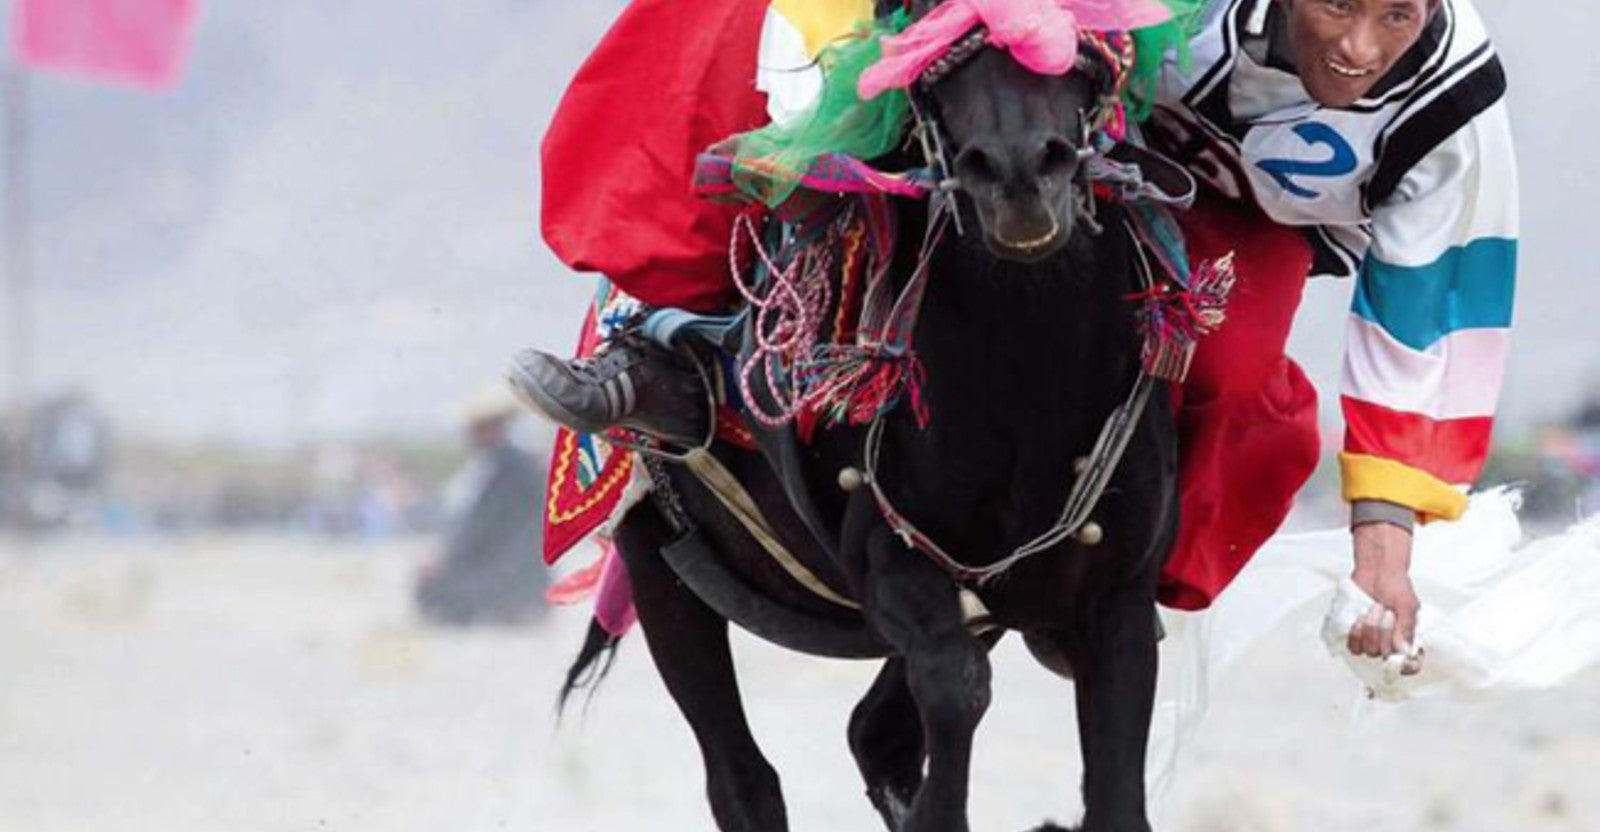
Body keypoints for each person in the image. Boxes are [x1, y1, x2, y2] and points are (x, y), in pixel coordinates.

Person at [510, 0, 1516, 667]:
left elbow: (1423, 310)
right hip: (1071, 117)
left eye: (1399, 11)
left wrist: (1384, 551)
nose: (1358, 50)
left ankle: (1112, 592)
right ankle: (664, 331)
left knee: (1231, 369)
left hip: (1243, 216)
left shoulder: (1451, 107)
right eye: (1337, 3)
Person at [415, 387, 549, 627]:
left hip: (511, 571)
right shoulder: (496, 465)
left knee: (436, 591)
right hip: (503, 564)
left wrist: (447, 558)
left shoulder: (514, 468)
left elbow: (485, 528)